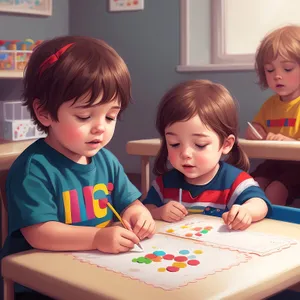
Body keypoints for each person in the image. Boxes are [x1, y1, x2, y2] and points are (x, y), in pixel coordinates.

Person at [1, 36, 155, 300]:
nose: (100, 127)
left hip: (92, 272)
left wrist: (139, 214)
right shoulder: (34, 169)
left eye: (110, 116)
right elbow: (40, 233)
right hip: (41, 284)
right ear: (44, 113)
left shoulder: (106, 160)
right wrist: (97, 238)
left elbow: (129, 202)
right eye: (84, 116)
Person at [143, 80, 271, 230]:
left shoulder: (234, 182)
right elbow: (145, 209)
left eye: (200, 145)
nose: (185, 154)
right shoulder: (163, 184)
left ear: (226, 144)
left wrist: (246, 211)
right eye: (174, 143)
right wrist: (158, 212)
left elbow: (260, 203)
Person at [246, 25, 300, 207]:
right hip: (273, 162)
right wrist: (256, 132)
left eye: (287, 69)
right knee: (252, 186)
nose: (277, 76)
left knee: (275, 191)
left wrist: (290, 143)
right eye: (270, 70)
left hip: (297, 166)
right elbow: (258, 127)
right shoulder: (270, 104)